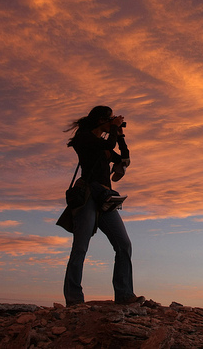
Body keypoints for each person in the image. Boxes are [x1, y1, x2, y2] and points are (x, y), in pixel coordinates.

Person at [62, 105, 144, 306]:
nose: (113, 123)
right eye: (110, 119)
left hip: (105, 197)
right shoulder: (84, 138)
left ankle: (124, 295)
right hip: (89, 194)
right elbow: (107, 147)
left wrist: (121, 136)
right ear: (101, 120)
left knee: (123, 244)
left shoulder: (102, 143)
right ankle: (74, 299)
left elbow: (124, 159)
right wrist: (114, 130)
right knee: (80, 247)